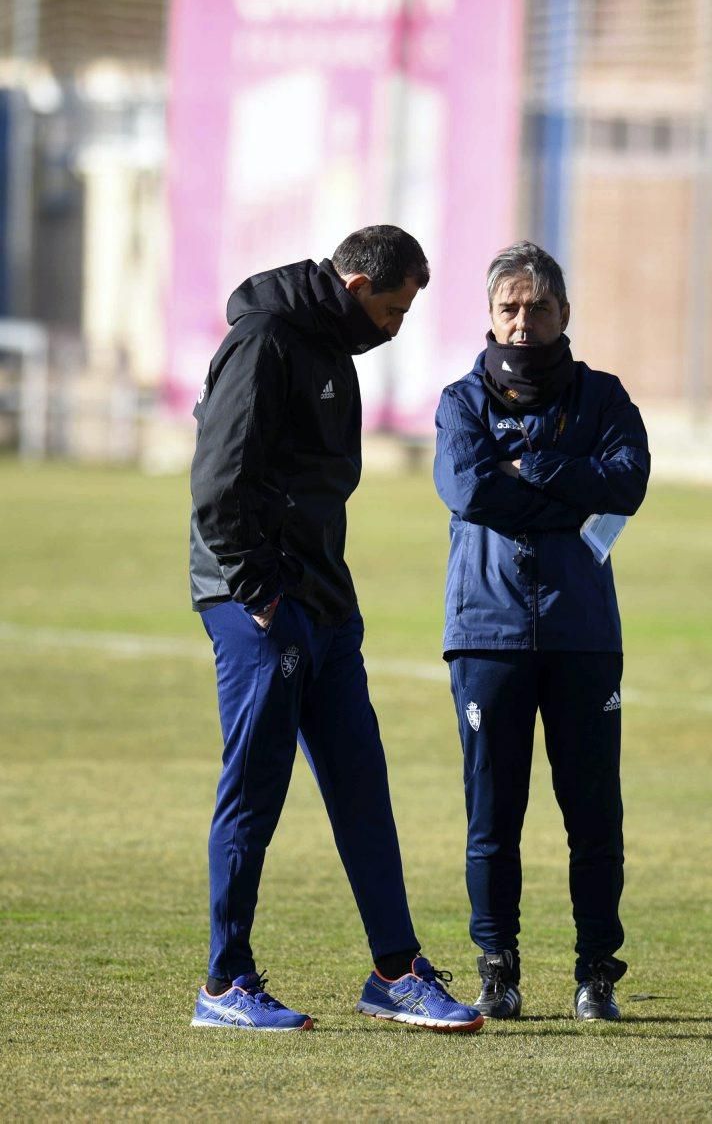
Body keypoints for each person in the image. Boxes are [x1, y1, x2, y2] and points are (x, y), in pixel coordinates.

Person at [189, 225, 483, 1033]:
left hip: (323, 604)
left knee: (362, 785)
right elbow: (218, 485)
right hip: (259, 606)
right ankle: (225, 983)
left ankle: (395, 970)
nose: (396, 326)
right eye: (392, 309)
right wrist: (259, 595)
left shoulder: (330, 352)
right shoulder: (265, 342)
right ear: (356, 289)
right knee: (255, 791)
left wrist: (328, 601)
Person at [433, 241, 650, 1022]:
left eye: (539, 308)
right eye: (509, 309)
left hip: (584, 633)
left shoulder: (605, 398)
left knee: (594, 816)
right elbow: (468, 488)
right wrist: (568, 479)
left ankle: (597, 973)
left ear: (565, 314)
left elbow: (627, 484)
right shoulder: (461, 402)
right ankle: (497, 968)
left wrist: (533, 470)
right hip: (486, 631)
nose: (523, 323)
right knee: (494, 817)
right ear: (491, 316)